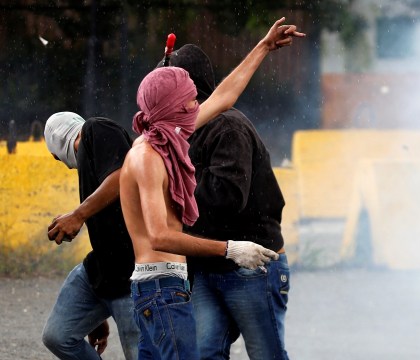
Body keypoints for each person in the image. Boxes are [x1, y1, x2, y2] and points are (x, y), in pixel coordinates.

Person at [120, 18, 304, 359]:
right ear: (171, 108)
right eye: (189, 101)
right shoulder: (148, 154)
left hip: (168, 285)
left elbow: (224, 96)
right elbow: (159, 235)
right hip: (160, 288)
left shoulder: (168, 137)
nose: (196, 106)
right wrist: (230, 249)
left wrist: (263, 46)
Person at [168, 43, 291, 359]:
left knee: (267, 354)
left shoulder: (227, 127)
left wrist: (171, 185)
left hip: (251, 266)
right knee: (205, 353)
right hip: (208, 267)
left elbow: (227, 196)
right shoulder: (183, 132)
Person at [41, 112, 139, 360]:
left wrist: (78, 215)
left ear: (57, 145)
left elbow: (124, 176)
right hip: (103, 269)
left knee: (140, 355)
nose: (60, 161)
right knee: (58, 336)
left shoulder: (96, 128)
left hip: (134, 272)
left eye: (55, 156)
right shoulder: (89, 163)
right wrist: (96, 309)